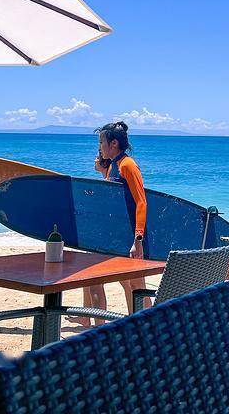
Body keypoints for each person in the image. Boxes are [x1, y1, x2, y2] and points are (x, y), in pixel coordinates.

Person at [80, 121, 149, 325]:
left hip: (129, 237)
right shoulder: (113, 166)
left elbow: (141, 202)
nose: (99, 147)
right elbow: (115, 199)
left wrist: (138, 239)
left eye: (101, 142)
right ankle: (136, 326)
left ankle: (142, 326)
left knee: (135, 285)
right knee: (126, 283)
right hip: (115, 236)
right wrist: (103, 172)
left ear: (114, 144)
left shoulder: (128, 165)